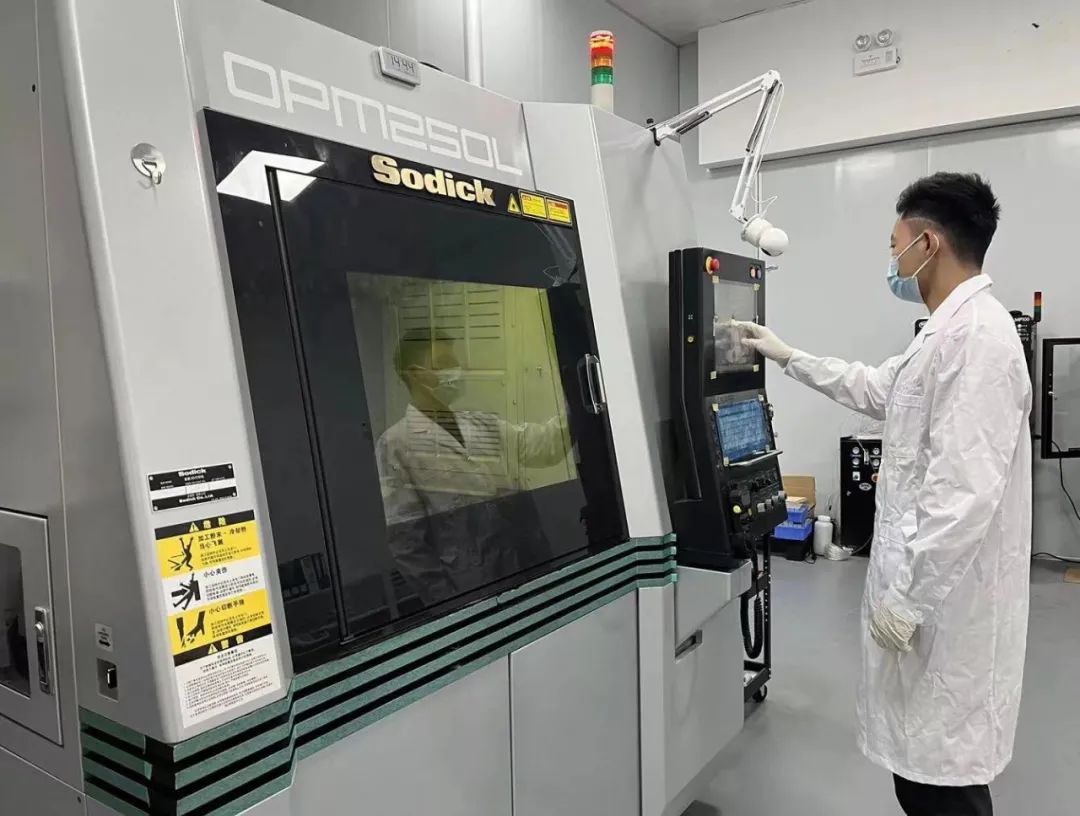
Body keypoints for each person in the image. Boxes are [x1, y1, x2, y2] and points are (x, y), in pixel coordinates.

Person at [737, 172, 1031, 816]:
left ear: (928, 244)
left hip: (945, 609)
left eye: (894, 245)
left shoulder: (979, 341)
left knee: (943, 787)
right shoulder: (942, 334)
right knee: (919, 778)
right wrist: (787, 355)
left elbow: (963, 499)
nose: (892, 261)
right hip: (924, 600)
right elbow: (875, 388)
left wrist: (908, 601)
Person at [376, 335, 572, 605]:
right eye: (444, 362)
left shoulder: (481, 424)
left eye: (455, 362)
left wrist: (578, 405)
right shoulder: (396, 444)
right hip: (473, 591)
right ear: (415, 374)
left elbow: (541, 446)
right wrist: (450, 604)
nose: (456, 371)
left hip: (529, 567)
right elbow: (407, 543)